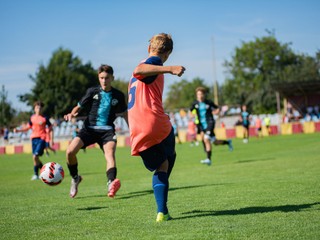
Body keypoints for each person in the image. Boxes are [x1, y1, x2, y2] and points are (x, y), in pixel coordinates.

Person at [128, 33, 185, 222]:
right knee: (168, 160)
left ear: (148, 47)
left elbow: (138, 72)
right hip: (155, 124)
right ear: (167, 53)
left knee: (162, 163)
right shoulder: (153, 63)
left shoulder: (144, 68)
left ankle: (163, 211)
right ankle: (162, 207)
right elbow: (139, 70)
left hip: (136, 129)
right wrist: (169, 69)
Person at [64, 64, 128, 199]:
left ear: (112, 78)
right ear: (98, 78)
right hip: (89, 129)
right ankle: (75, 178)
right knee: (70, 152)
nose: (104, 81)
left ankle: (111, 183)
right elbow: (78, 106)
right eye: (101, 78)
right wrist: (71, 114)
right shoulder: (92, 92)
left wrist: (132, 130)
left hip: (107, 131)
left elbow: (125, 113)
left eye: (107, 78)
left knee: (110, 155)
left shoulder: (118, 95)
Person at [190, 87, 233, 166]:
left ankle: (208, 159)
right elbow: (191, 111)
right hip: (201, 124)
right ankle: (228, 142)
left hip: (210, 122)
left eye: (201, 94)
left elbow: (217, 108)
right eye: (198, 94)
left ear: (204, 94)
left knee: (206, 139)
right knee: (215, 142)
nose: (199, 96)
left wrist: (216, 112)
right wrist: (192, 115)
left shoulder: (208, 102)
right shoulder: (195, 103)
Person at [14, 101, 53, 180]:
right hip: (33, 139)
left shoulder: (45, 118)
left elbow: (51, 128)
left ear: (42, 109)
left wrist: (51, 139)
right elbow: (28, 127)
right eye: (37, 107)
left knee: (35, 156)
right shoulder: (32, 117)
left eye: (40, 108)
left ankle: (37, 174)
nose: (39, 109)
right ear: (34, 109)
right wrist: (18, 131)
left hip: (41, 138)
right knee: (35, 158)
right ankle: (42, 171)